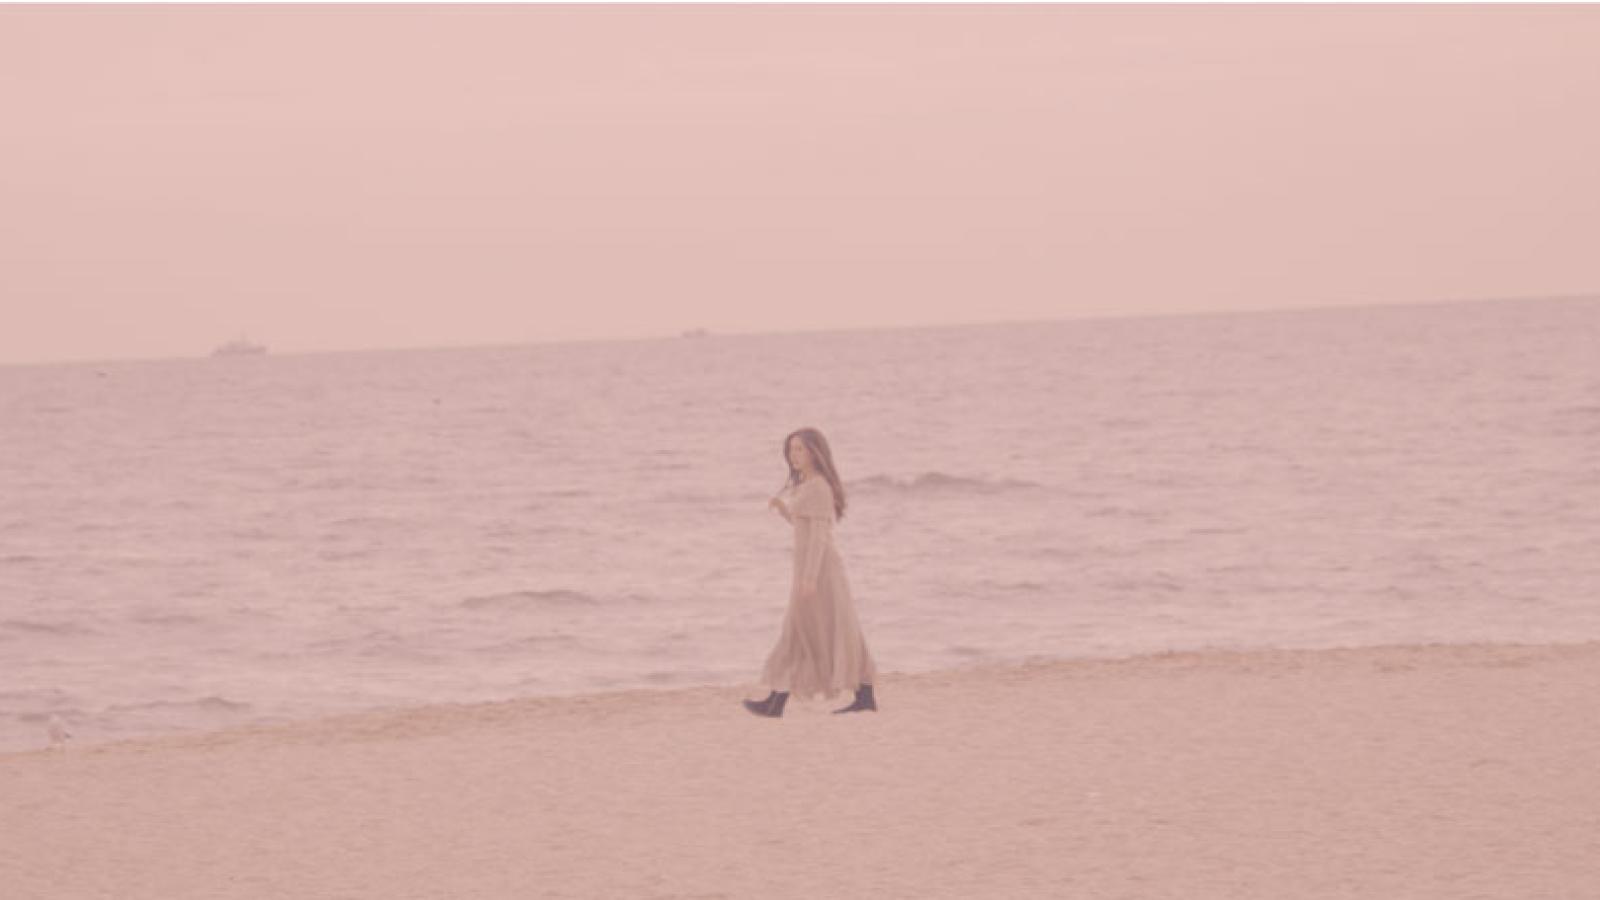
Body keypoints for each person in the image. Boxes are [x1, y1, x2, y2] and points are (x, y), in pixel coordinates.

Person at [743, 427, 878, 718]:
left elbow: (818, 536)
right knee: (819, 629)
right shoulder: (808, 486)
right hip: (809, 570)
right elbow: (803, 526)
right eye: (791, 450)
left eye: (800, 449)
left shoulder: (818, 487)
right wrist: (783, 509)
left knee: (814, 629)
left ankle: (777, 703)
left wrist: (810, 578)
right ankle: (863, 696)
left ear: (815, 453)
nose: (794, 455)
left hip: (820, 571)